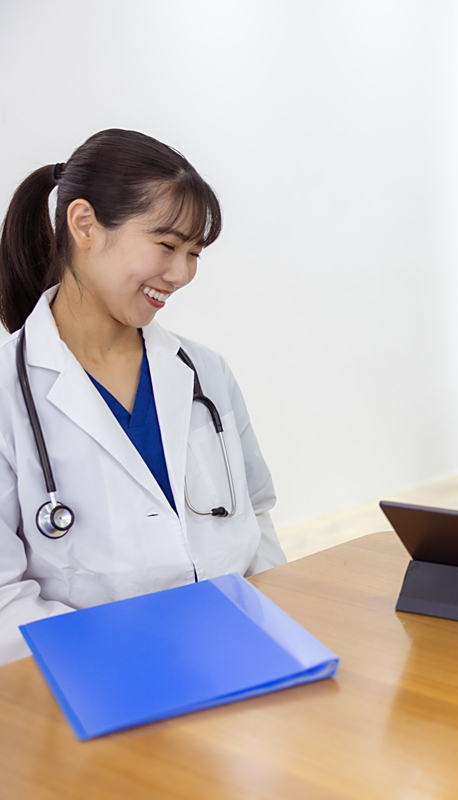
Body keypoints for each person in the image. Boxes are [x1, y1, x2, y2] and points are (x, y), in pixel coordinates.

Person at [0, 129, 285, 665]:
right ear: (84, 224)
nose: (182, 274)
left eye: (194, 253)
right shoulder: (9, 394)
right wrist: (126, 661)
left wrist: (272, 633)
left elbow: (256, 514)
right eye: (167, 246)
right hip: (98, 678)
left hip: (234, 655)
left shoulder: (204, 371)